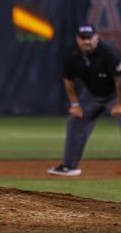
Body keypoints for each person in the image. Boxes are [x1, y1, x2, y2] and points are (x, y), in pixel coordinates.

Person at [48, 23, 121, 176]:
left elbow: (119, 79)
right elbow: (68, 81)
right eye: (83, 38)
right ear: (77, 39)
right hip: (93, 95)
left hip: (116, 94)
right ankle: (69, 166)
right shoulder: (72, 54)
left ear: (96, 37)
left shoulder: (108, 51)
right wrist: (75, 104)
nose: (86, 41)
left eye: (89, 38)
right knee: (75, 122)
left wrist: (119, 104)